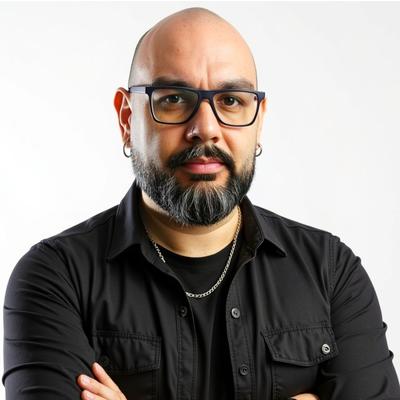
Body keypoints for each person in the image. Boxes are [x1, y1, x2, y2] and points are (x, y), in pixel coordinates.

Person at [3, 7, 400, 400]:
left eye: (231, 101)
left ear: (259, 121)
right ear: (127, 119)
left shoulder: (331, 273)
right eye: (174, 98)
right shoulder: (55, 278)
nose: (206, 128)